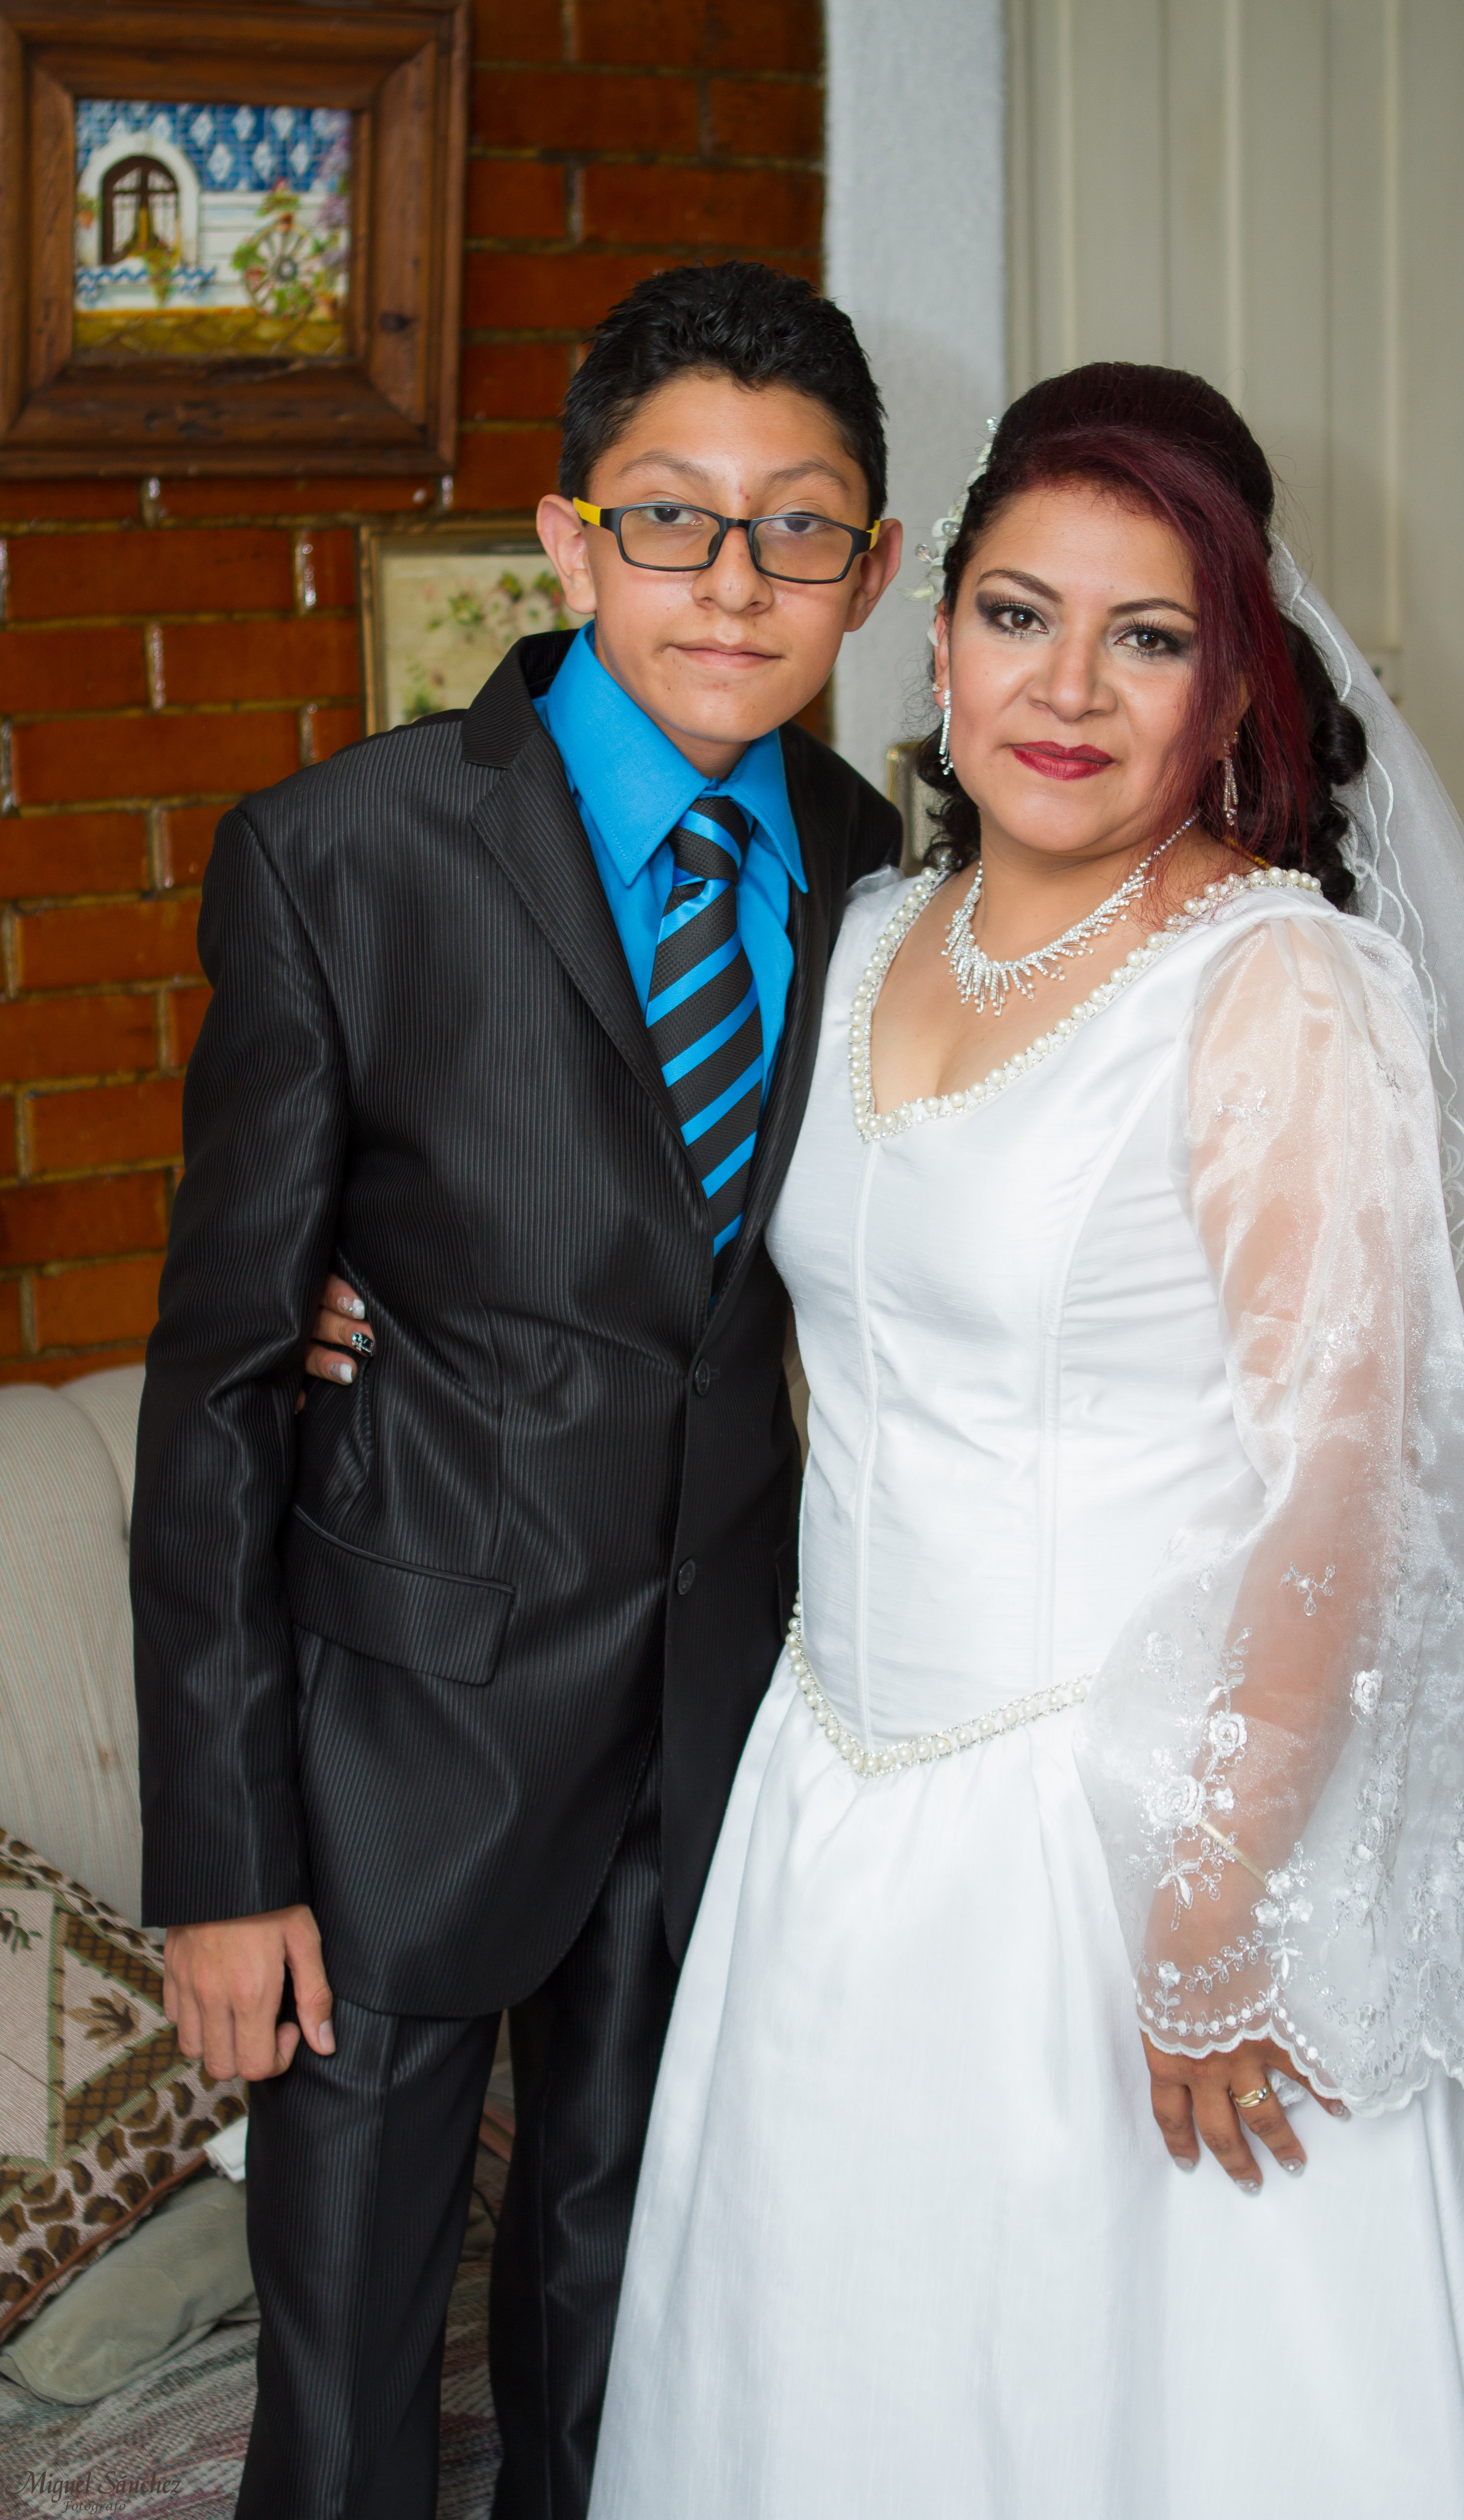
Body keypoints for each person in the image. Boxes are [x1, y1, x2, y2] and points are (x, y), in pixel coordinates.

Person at [584, 365, 1464, 2519]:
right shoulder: (865, 933)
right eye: (1019, 615)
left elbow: (1354, 1484)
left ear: (1233, 684)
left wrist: (1213, 1911)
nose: (1066, 687)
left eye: (1147, 637)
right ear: (938, 636)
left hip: (1150, 1839)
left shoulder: (1277, 986)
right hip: (842, 1810)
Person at [129, 260, 903, 2519]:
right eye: (672, 516)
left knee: (630, 2328)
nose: (732, 582)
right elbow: (219, 1384)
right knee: (351, 2375)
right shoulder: (342, 859)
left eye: (798, 527)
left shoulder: (873, 874)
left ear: (867, 571)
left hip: (717, 1728)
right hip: (400, 1740)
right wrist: (222, 1864)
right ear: (570, 541)